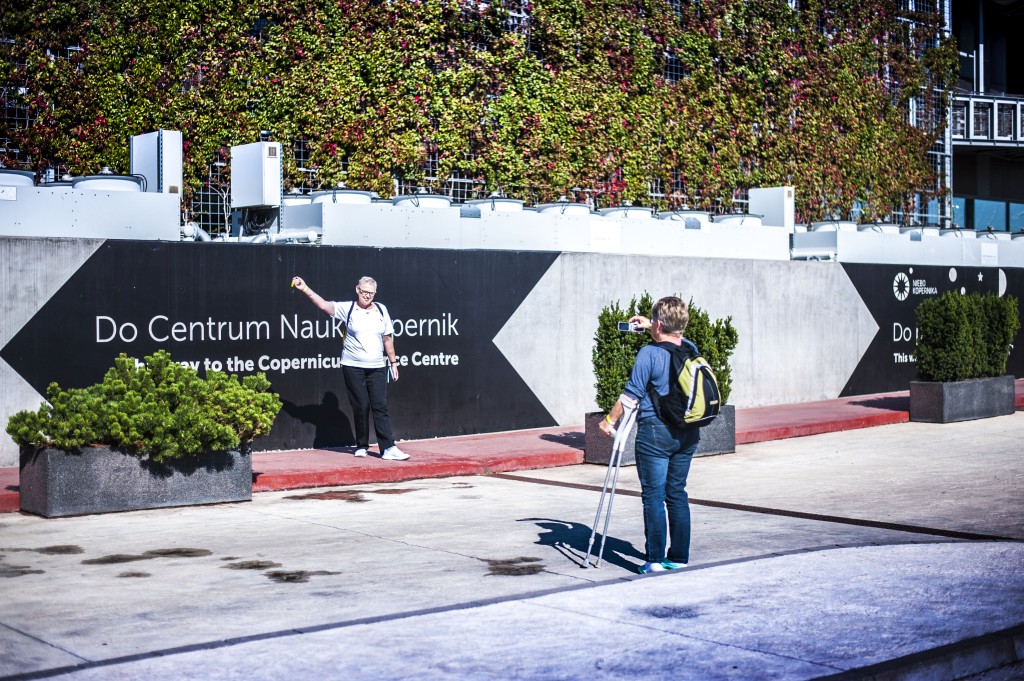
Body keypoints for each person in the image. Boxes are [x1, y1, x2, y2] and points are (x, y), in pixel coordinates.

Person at [599, 296, 698, 573]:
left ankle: (654, 560)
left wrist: (609, 420)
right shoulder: (691, 349)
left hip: (655, 433)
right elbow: (676, 339)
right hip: (688, 432)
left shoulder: (649, 354)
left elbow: (630, 396)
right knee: (677, 492)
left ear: (659, 325)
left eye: (654, 321)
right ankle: (678, 558)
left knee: (653, 496)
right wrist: (652, 325)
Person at [291, 274, 409, 461]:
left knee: (380, 406)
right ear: (357, 290)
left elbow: (387, 338)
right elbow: (324, 305)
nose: (367, 295)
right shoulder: (348, 308)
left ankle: (388, 448)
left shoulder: (381, 310)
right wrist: (305, 288)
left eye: (371, 293)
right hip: (353, 366)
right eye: (364, 291)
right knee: (361, 406)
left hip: (377, 367)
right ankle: (361, 445)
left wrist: (393, 363)